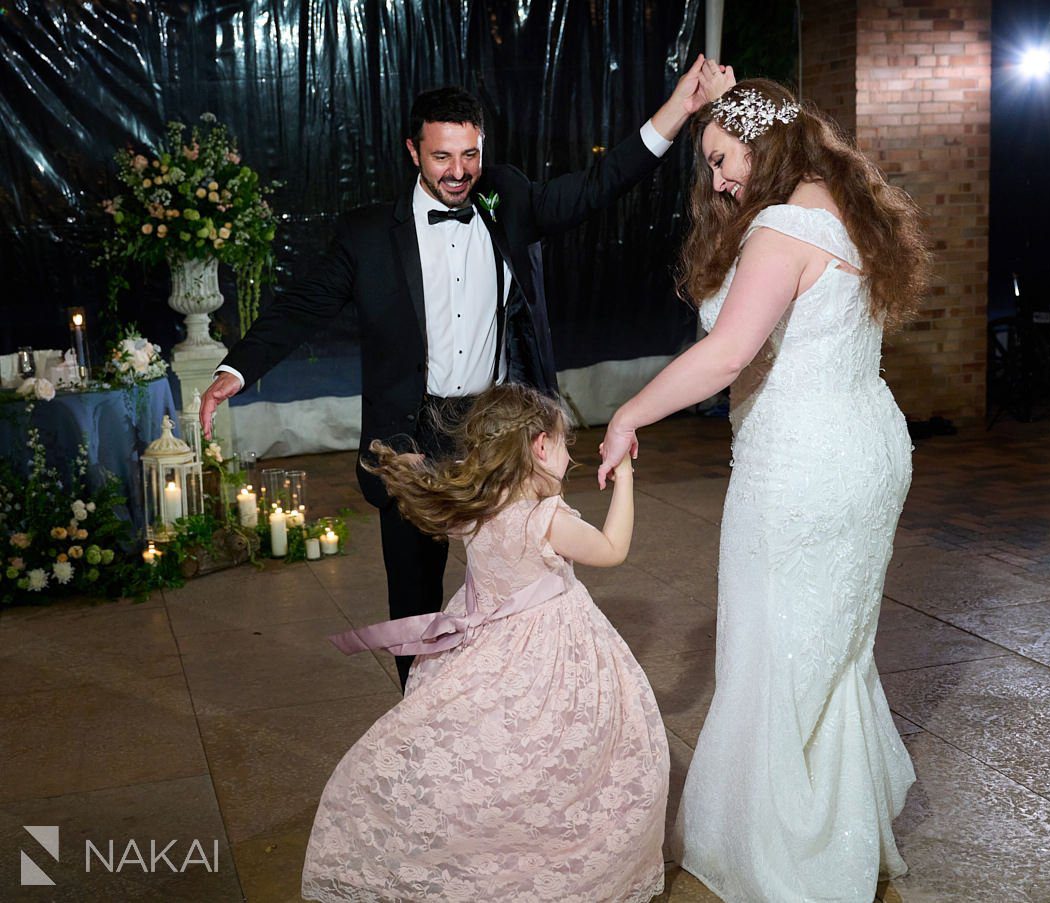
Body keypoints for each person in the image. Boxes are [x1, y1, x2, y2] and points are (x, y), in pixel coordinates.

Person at [200, 60, 713, 686]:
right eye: (443, 157)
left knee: (517, 583)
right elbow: (302, 305)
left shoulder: (507, 196)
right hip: (412, 434)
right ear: (413, 150)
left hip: (495, 433)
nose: (459, 171)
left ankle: (504, 712)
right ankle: (420, 717)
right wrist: (237, 369)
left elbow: (597, 185)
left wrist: (677, 111)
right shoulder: (368, 236)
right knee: (415, 595)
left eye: (470, 154)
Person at [598, 77, 931, 901]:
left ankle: (786, 850)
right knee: (835, 645)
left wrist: (626, 415)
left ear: (761, 145)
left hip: (802, 466)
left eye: (720, 159)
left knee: (771, 645)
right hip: (871, 450)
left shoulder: (781, 228)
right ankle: (840, 823)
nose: (716, 180)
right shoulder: (850, 209)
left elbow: (724, 356)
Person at [301, 384, 669, 902]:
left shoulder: (476, 507)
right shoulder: (546, 519)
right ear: (540, 447)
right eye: (566, 445)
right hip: (549, 651)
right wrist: (626, 476)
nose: (570, 456)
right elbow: (611, 550)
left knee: (494, 741)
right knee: (564, 744)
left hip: (485, 646)